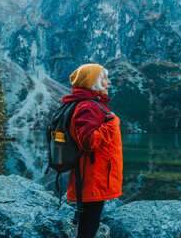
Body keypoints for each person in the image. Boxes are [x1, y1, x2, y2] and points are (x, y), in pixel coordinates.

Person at [62, 64, 123, 238]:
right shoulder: (88, 107)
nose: (109, 82)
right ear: (93, 82)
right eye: (104, 78)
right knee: (88, 229)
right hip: (94, 176)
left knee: (88, 224)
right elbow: (88, 142)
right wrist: (112, 123)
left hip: (93, 174)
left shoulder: (89, 104)